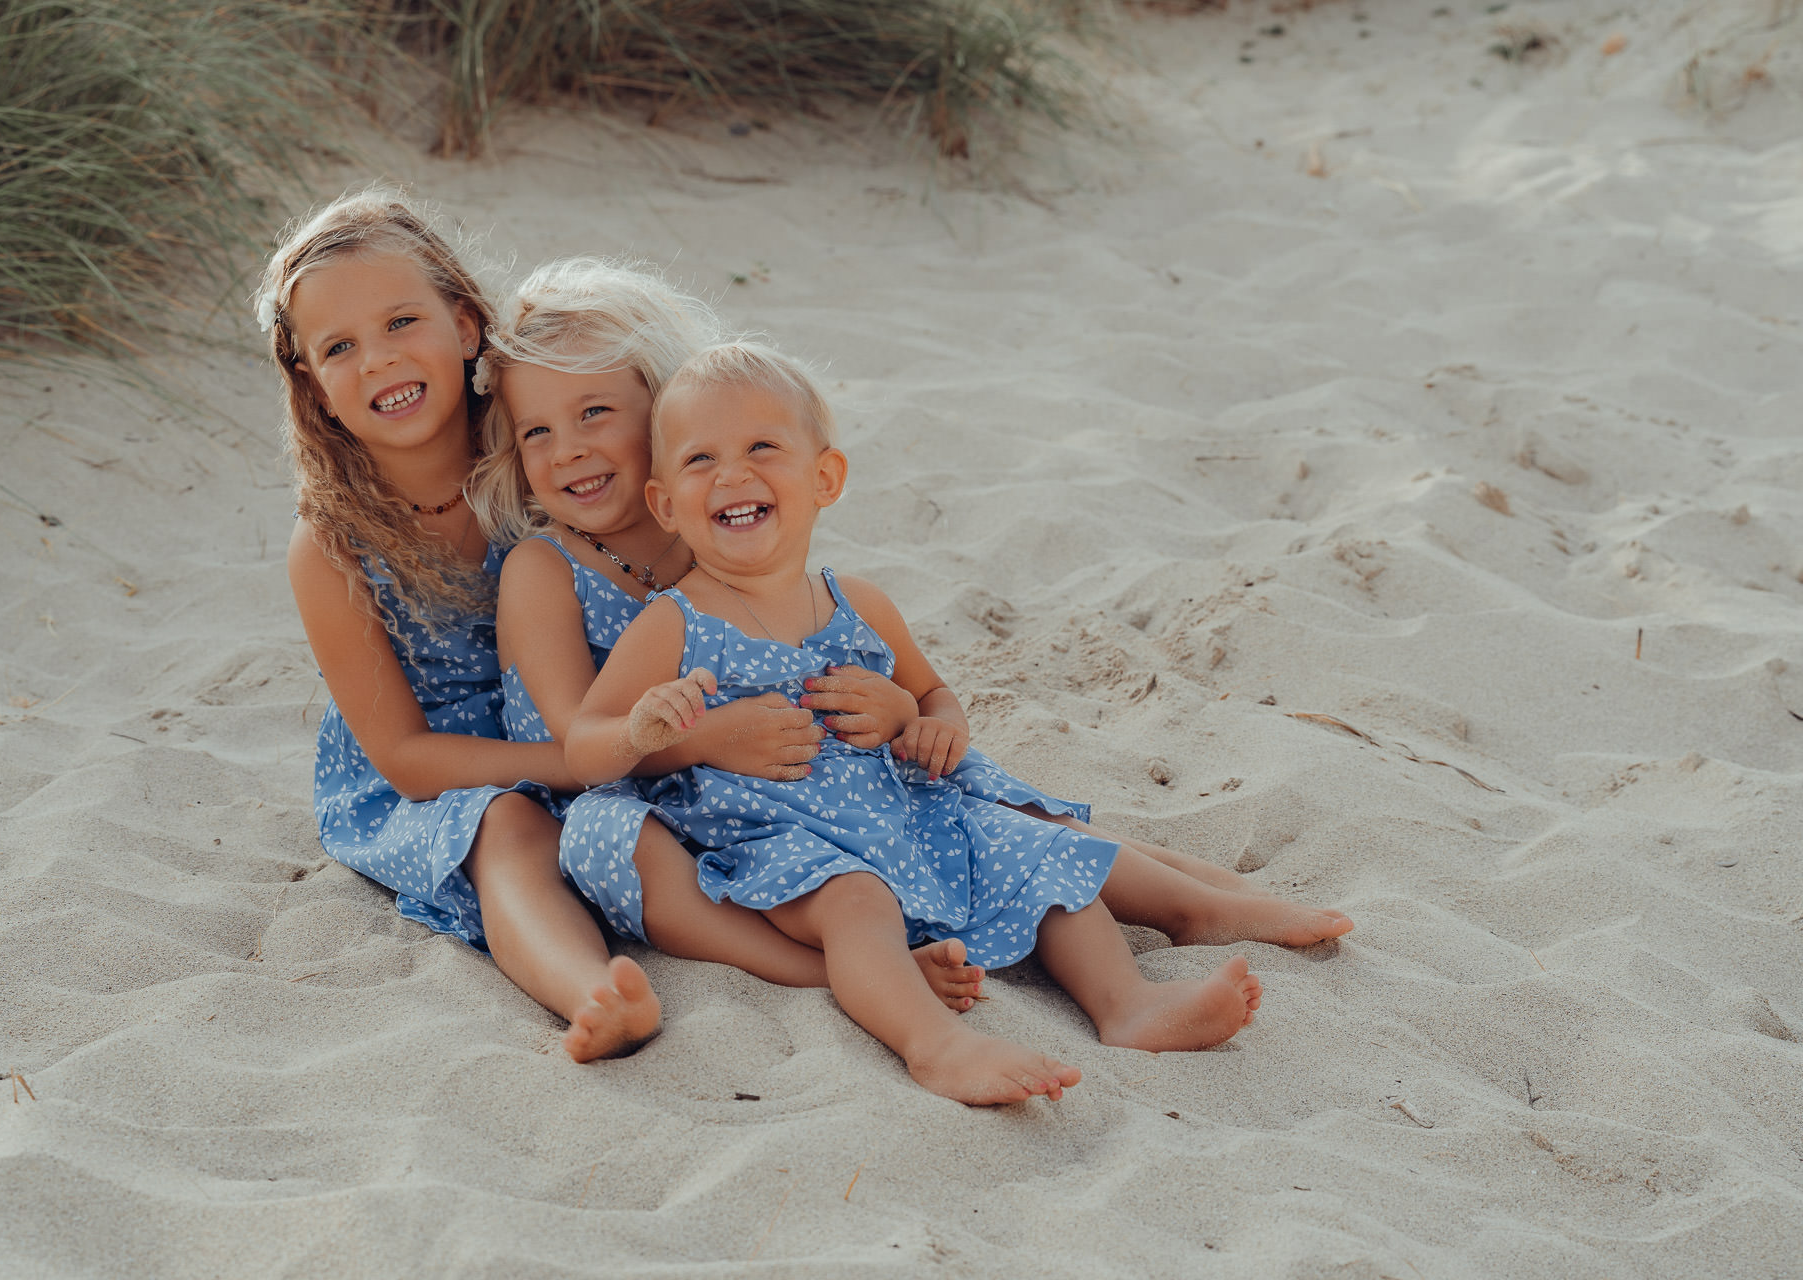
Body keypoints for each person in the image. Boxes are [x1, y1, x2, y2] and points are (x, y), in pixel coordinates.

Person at [565, 343, 1336, 1104]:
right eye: (701, 460)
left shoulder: (859, 602)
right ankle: (933, 1044)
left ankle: (1126, 1002)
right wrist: (643, 728)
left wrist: (916, 715)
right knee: (855, 903)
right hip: (781, 844)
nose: (733, 474)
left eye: (762, 447)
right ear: (666, 504)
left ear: (824, 478)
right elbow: (586, 743)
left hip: (908, 817)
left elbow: (935, 698)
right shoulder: (674, 624)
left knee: (1042, 860)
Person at [468, 258, 986, 1007]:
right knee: (613, 839)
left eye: (594, 415)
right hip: (624, 793)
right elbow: (579, 751)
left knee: (964, 787)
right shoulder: (542, 569)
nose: (568, 450)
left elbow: (813, 653)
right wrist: (707, 740)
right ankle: (821, 972)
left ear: (660, 416)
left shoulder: (708, 525)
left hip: (751, 796)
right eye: (537, 432)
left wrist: (895, 709)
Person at [261, 189, 660, 1061]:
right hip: (442, 772)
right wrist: (579, 759)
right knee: (509, 829)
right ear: (316, 388)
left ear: (467, 324)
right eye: (339, 348)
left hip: (579, 709)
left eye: (402, 320)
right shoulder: (331, 541)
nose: (379, 361)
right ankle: (594, 993)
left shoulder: (538, 444)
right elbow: (403, 757)